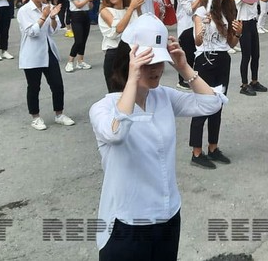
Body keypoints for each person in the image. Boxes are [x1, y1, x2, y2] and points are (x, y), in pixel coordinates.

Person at [89, 14, 226, 260]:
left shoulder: (163, 97)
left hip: (168, 215)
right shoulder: (103, 108)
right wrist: (132, 80)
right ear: (129, 63)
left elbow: (211, 104)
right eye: (147, 63)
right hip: (127, 222)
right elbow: (116, 133)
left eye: (160, 62)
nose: (156, 70)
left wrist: (184, 67)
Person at [189, 0, 241, 169]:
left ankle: (213, 147)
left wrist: (238, 32)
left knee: (218, 105)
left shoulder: (227, 11)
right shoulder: (202, 11)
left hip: (222, 59)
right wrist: (203, 26)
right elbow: (197, 41)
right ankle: (196, 152)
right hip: (205, 60)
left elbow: (231, 44)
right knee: (202, 105)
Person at [17, 0, 74, 131]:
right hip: (32, 53)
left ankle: (59, 114)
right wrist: (44, 16)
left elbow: (53, 31)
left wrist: (53, 17)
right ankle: (35, 117)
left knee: (57, 84)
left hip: (48, 50)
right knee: (34, 86)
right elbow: (31, 32)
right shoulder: (24, 11)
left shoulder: (46, 7)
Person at [98, 0, 139, 92]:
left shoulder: (129, 10)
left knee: (133, 91)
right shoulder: (105, 11)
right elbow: (119, 28)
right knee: (116, 94)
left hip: (131, 53)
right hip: (114, 54)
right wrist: (131, 8)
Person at [237, 0, 266, 97]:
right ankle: (244, 85)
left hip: (253, 23)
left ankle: (254, 81)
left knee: (256, 54)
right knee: (246, 55)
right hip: (243, 24)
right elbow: (248, 1)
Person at [65, 0, 96, 73]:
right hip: (76, 16)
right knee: (78, 40)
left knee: (84, 40)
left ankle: (80, 61)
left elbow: (89, 6)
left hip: (85, 15)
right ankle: (70, 62)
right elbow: (78, 5)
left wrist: (91, 0)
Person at [174, 0, 198, 89]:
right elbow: (189, 10)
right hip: (186, 28)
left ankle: (191, 78)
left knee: (194, 55)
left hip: (195, 26)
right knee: (186, 56)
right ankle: (182, 80)